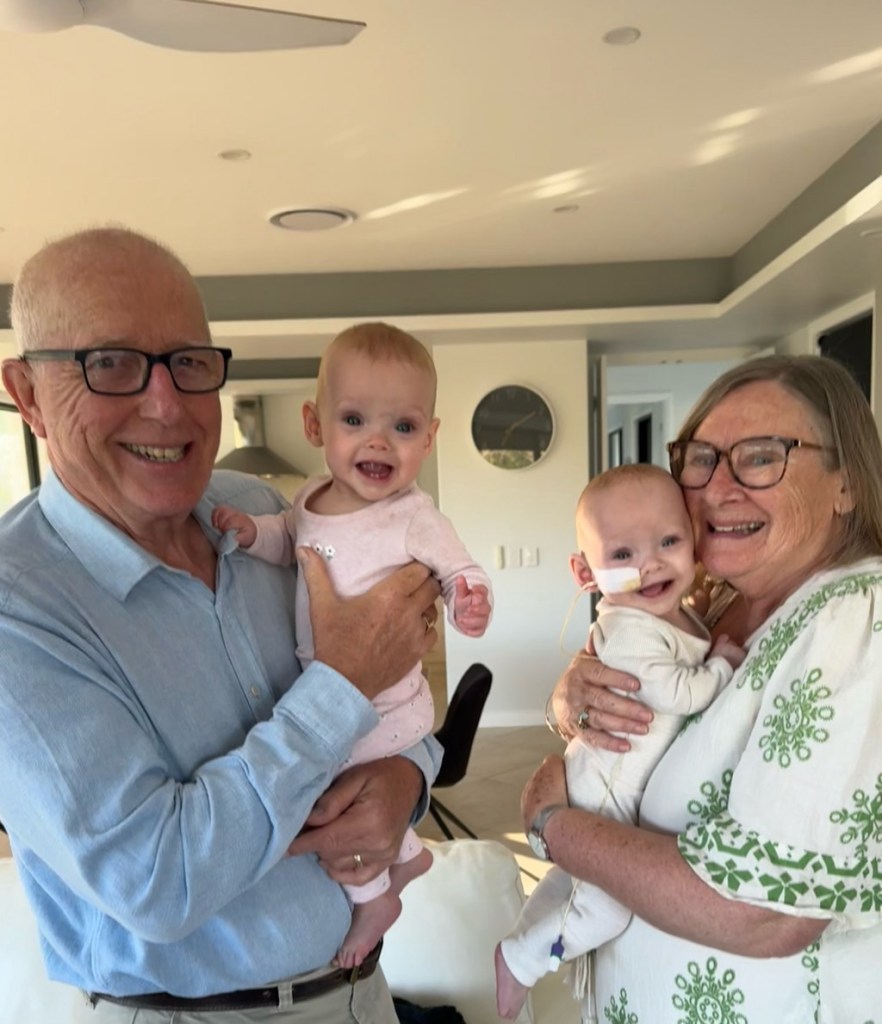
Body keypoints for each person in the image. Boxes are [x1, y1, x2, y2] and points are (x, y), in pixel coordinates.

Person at [0, 226, 447, 1024]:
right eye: (111, 364)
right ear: (27, 394)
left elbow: (395, 691)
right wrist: (341, 683)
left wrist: (406, 782)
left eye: (189, 362)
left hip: (361, 992)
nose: (166, 404)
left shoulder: (265, 512)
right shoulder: (17, 606)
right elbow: (158, 881)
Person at [523, 354, 882, 1023]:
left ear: (848, 484)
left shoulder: (854, 621)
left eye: (762, 457)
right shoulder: (714, 605)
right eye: (701, 458)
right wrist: (572, 701)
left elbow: (763, 912)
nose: (717, 488)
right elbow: (648, 714)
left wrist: (552, 826)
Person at [212, 321, 493, 968]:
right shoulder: (309, 498)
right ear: (315, 426)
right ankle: (408, 858)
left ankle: (374, 898)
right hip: (337, 688)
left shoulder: (414, 516)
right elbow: (291, 540)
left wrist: (470, 599)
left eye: (403, 426)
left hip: (384, 703)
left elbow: (459, 569)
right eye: (354, 419)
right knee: (342, 782)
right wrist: (252, 533)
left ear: (429, 438)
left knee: (331, 790)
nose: (378, 440)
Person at [495, 464, 743, 1019]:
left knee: (571, 882)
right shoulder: (631, 627)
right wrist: (723, 666)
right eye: (623, 554)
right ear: (585, 572)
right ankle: (521, 961)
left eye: (668, 541)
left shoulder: (673, 614)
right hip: (609, 789)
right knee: (607, 909)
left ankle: (525, 933)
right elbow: (679, 692)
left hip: (609, 776)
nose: (650, 563)